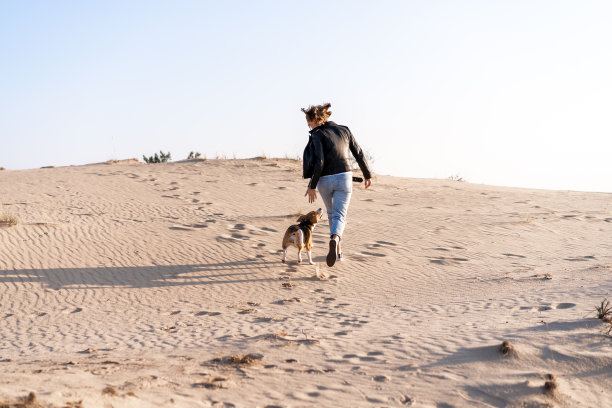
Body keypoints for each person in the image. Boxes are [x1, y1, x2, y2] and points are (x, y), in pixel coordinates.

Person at [302, 103, 372, 267]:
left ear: (316, 120)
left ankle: (338, 250)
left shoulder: (318, 134)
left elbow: (319, 161)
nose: (309, 126)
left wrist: (312, 185)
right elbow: (359, 153)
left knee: (332, 215)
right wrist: (367, 174)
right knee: (340, 216)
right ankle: (335, 242)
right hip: (344, 178)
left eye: (309, 123)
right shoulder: (344, 130)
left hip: (324, 180)